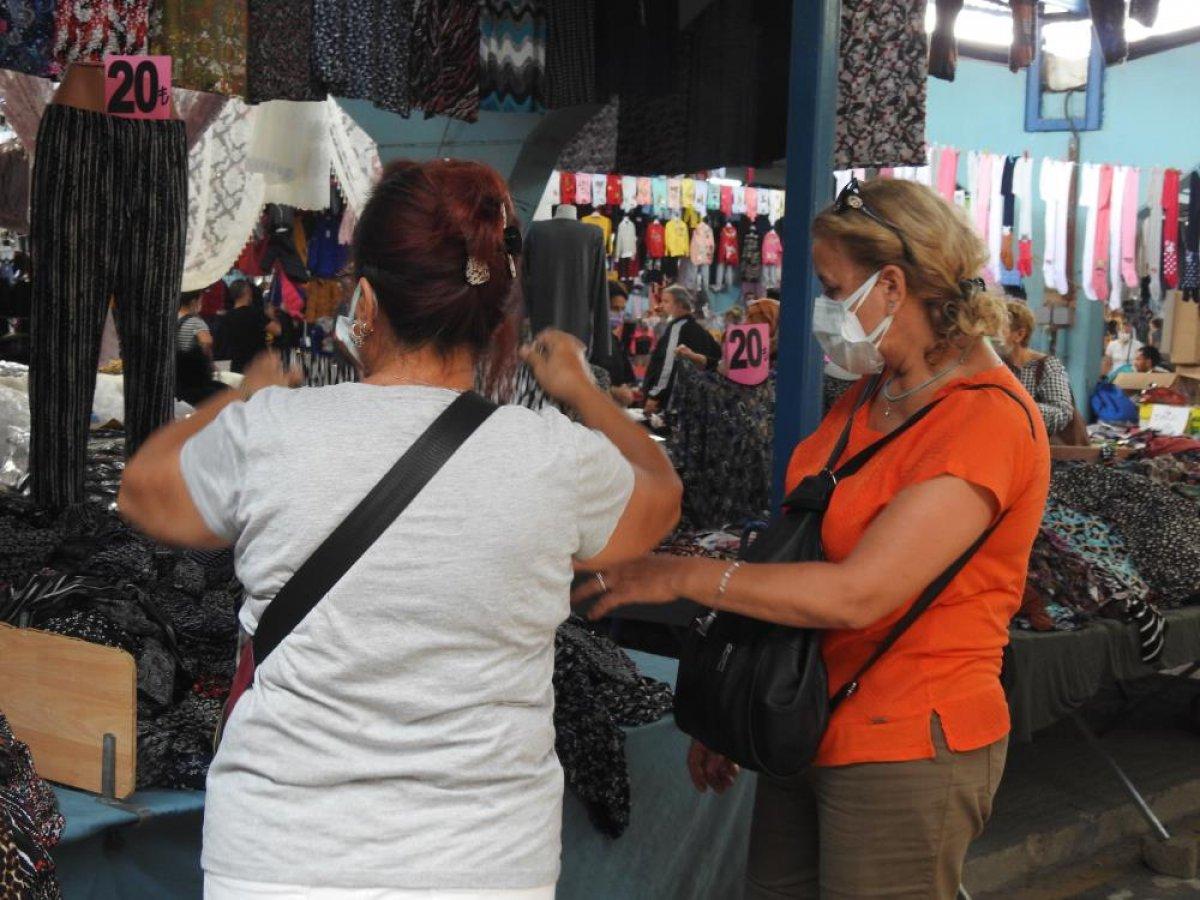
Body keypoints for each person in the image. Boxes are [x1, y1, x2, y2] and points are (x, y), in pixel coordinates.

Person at [117, 159, 683, 899]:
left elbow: (143, 491)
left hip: (282, 856)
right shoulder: (552, 457)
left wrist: (240, 396)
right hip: (484, 864)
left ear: (367, 300)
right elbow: (661, 496)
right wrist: (582, 390)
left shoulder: (273, 431)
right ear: (493, 313)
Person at [577, 178, 1050, 899]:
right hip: (805, 722)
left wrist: (677, 574)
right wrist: (734, 700)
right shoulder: (870, 395)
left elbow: (858, 592)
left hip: (907, 745)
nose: (823, 310)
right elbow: (799, 552)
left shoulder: (986, 420)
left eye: (832, 289)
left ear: (891, 286)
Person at [643, 284, 722, 413]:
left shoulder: (678, 328)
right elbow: (716, 358)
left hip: (674, 401)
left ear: (679, 304)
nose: (662, 305)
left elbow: (668, 366)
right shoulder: (700, 330)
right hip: (698, 401)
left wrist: (655, 395)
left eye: (666, 301)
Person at [1003, 301, 1076, 436]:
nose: (991, 337)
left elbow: (1062, 412)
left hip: (1037, 444)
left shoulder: (1047, 366)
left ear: (1019, 334)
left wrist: (1017, 408)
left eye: (998, 330)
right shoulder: (994, 365)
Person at [219, 280, 277, 374]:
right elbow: (277, 330)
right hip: (257, 366)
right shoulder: (255, 313)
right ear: (247, 292)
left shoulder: (226, 318)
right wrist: (272, 316)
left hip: (237, 367)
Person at [605, 280, 638, 406]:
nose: (619, 314)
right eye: (614, 308)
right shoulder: (589, 339)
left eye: (622, 309)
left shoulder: (614, 340)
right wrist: (612, 391)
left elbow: (626, 377)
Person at [177, 292, 213, 358]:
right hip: (190, 361)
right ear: (193, 302)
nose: (201, 304)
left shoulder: (172, 318)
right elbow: (206, 342)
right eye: (200, 301)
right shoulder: (196, 322)